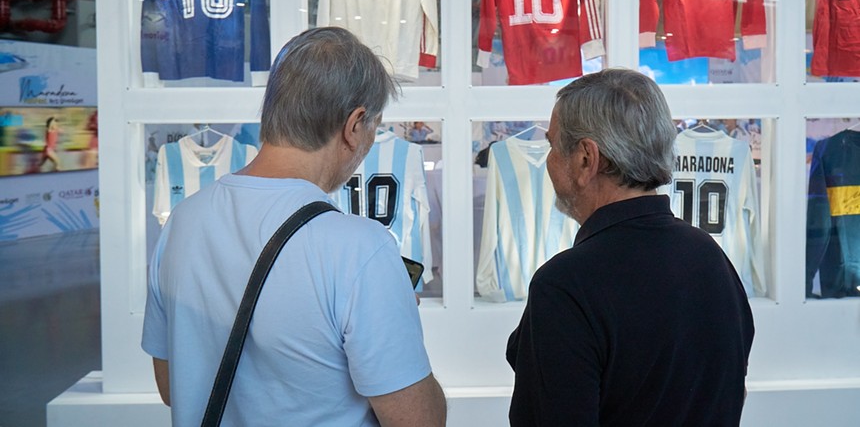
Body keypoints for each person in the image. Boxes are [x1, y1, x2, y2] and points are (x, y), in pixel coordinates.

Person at [142, 27, 447, 426]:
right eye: (374, 127)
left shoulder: (183, 222)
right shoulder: (359, 247)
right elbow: (418, 421)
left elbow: (170, 386)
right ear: (354, 125)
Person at [506, 68, 754, 426]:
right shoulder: (712, 259)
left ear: (586, 159)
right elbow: (733, 391)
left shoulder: (565, 285)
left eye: (552, 146)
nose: (549, 160)